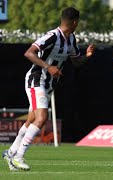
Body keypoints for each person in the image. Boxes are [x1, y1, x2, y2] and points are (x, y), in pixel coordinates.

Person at [2, 7, 95, 171]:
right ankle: (18, 156)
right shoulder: (52, 36)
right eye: (78, 22)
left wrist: (86, 56)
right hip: (36, 79)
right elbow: (29, 53)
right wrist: (48, 66)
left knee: (31, 119)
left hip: (48, 84)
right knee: (42, 117)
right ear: (74, 22)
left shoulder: (71, 39)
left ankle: (11, 152)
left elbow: (75, 62)